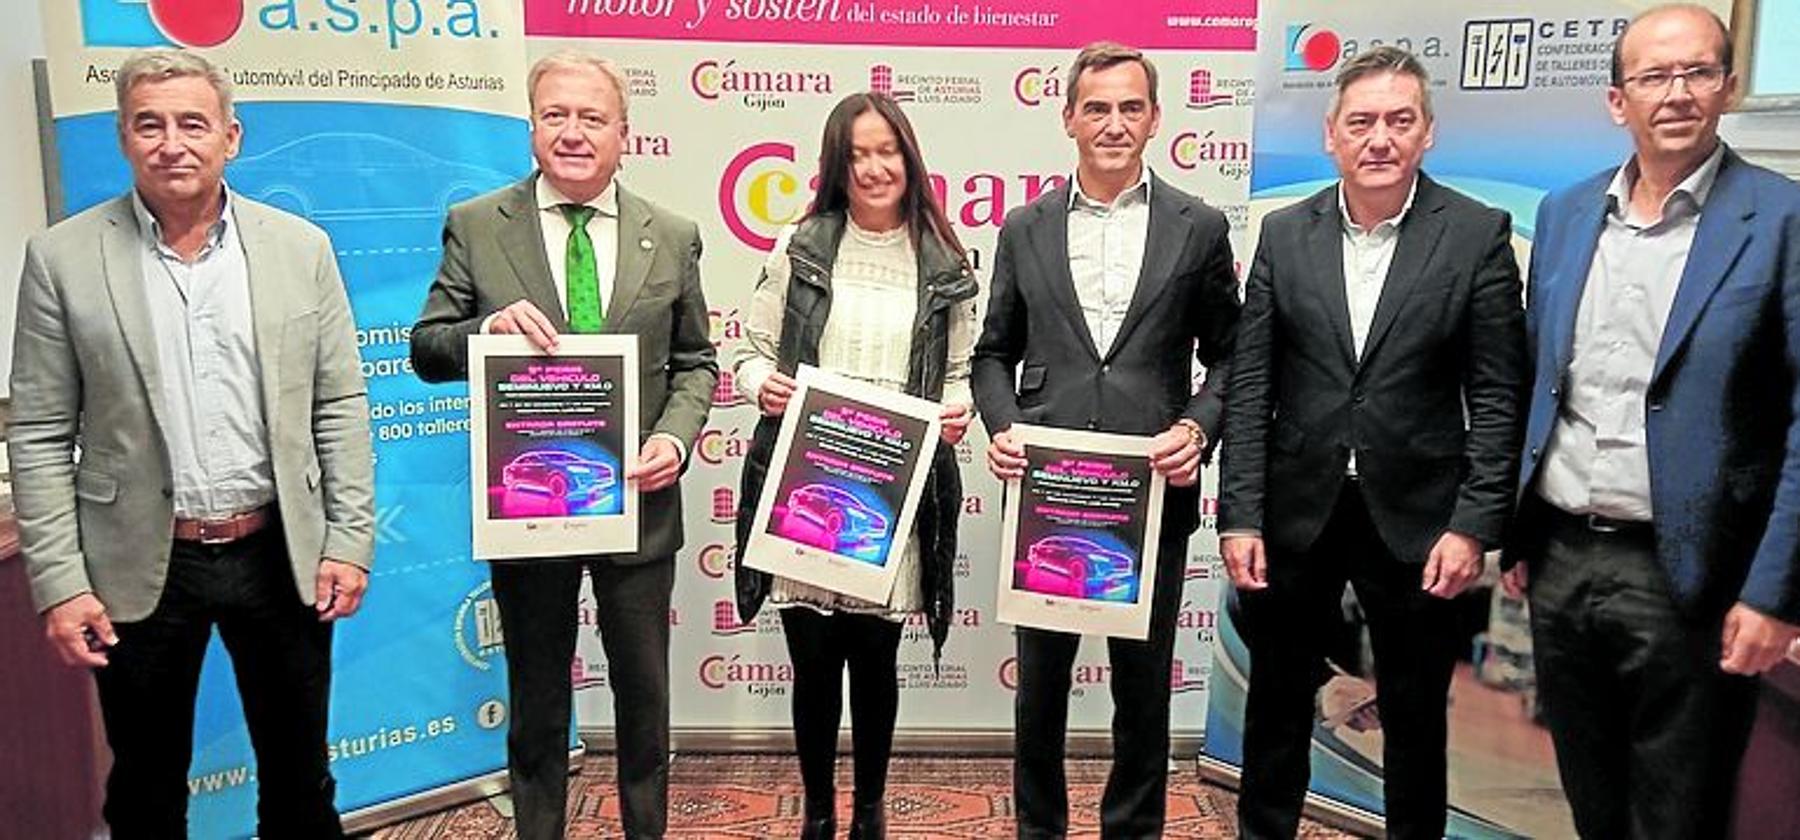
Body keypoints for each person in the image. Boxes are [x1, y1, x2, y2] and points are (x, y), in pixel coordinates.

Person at [8, 48, 375, 838]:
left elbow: (339, 402)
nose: (171, 142)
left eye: (191, 123)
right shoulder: (63, 259)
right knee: (143, 789)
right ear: (123, 137)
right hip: (138, 567)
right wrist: (62, 584)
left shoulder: (299, 248)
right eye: (150, 124)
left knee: (300, 782)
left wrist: (348, 539)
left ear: (230, 137)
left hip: (280, 555)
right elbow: (37, 432)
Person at [1215, 45, 1528, 840]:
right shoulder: (1284, 235)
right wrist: (1240, 515)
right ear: (1332, 136)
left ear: (1427, 132)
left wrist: (1474, 525)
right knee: (1278, 701)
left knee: (1416, 714)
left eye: (1399, 120)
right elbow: (1253, 387)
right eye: (1362, 122)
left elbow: (1498, 395)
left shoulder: (1475, 235)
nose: (1379, 138)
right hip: (1296, 512)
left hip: (1420, 520)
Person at [1502, 5, 1800, 836]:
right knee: (1589, 793)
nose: (1676, 94)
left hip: (1690, 575)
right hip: (1561, 558)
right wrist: (1521, 535)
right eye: (1653, 76)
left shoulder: (1782, 221)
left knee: (1678, 810)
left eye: (1697, 72)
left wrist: (1775, 594)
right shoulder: (1566, 213)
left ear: (1728, 87)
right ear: (1615, 100)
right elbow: (1540, 381)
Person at [409, 50, 716, 840]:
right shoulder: (478, 226)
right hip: (530, 508)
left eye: (591, 118)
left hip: (640, 509)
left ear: (624, 134)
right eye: (556, 115)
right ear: (532, 126)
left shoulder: (672, 235)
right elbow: (428, 348)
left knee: (645, 702)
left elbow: (695, 365)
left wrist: (675, 444)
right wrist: (487, 330)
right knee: (538, 698)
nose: (572, 133)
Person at [971, 41, 1241, 838]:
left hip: (1151, 494)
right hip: (1048, 494)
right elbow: (993, 351)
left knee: (1143, 691)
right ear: (1068, 119)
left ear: (1156, 118)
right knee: (1041, 692)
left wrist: (1198, 427)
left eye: (1130, 107)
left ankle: (1133, 831)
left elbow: (1231, 355)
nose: (1113, 123)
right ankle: (1039, 830)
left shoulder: (1200, 227)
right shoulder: (1026, 227)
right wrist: (1002, 425)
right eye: (1097, 107)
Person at [731, 91, 978, 840]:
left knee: (874, 662)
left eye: (886, 151)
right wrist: (756, 384)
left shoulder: (944, 256)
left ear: (908, 158)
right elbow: (744, 349)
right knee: (812, 663)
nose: (874, 168)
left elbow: (962, 368)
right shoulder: (800, 245)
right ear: (837, 167)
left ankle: (869, 809)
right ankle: (816, 811)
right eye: (858, 155)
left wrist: (956, 410)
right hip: (807, 486)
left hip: (891, 492)